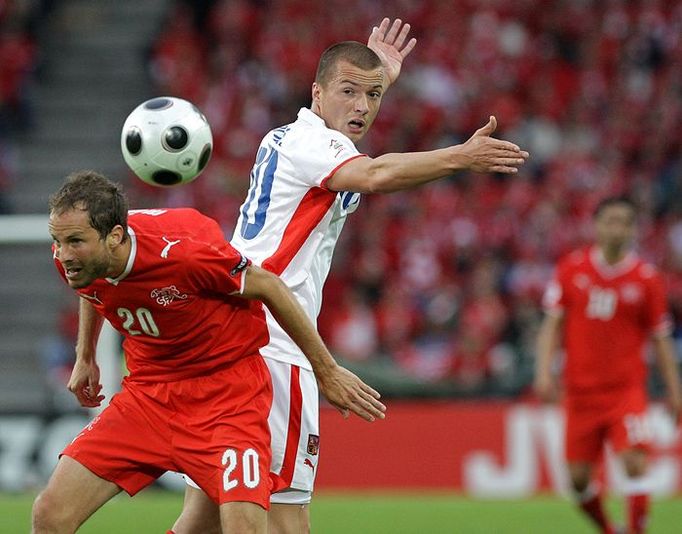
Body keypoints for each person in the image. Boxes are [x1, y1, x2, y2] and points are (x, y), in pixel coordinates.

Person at [171, 17, 530, 534]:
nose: (362, 106)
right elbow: (376, 173)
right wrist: (460, 156)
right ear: (315, 93)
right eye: (347, 93)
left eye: (374, 96)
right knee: (286, 516)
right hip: (273, 343)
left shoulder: (297, 137)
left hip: (230, 336)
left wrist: (377, 74)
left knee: (203, 516)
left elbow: (355, 133)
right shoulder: (312, 143)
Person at [32, 170, 386, 534]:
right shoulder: (76, 258)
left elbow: (269, 286)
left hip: (227, 400)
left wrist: (325, 369)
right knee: (49, 514)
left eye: (74, 241)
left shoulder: (184, 251)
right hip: (148, 398)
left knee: (244, 528)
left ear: (115, 237)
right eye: (57, 241)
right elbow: (92, 286)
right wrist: (86, 356)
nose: (62, 254)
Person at [535, 196, 682, 534]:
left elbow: (661, 340)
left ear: (633, 229)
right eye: (610, 221)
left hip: (625, 389)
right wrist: (543, 372)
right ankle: (608, 529)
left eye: (624, 222)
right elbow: (551, 325)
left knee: (634, 461)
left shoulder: (647, 279)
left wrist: (675, 391)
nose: (617, 228)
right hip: (580, 392)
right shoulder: (572, 269)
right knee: (577, 479)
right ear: (596, 225)